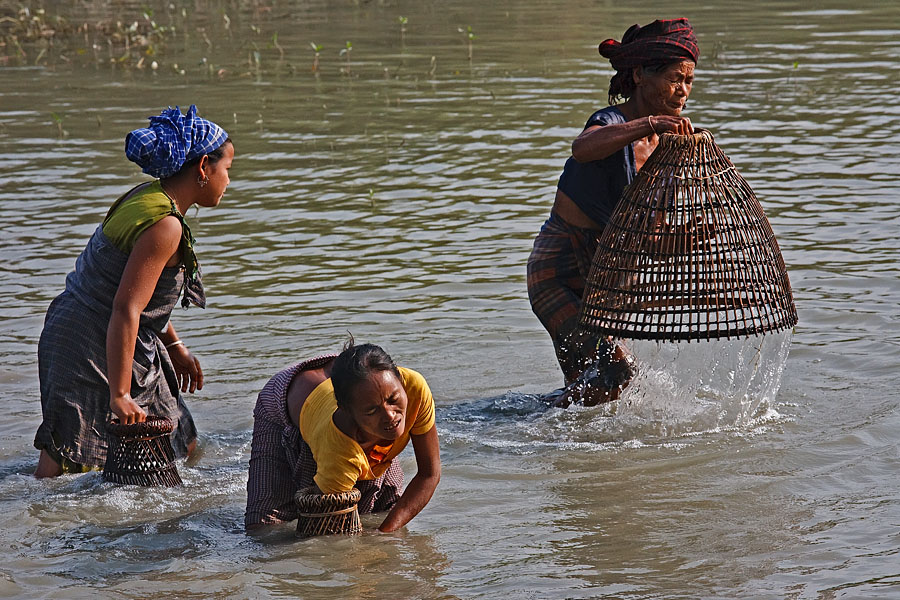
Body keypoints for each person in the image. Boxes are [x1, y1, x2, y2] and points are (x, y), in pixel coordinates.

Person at [34, 105, 235, 477]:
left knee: (179, 440)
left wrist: (175, 347)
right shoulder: (165, 226)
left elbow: (141, 294)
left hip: (106, 332)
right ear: (204, 167)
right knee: (69, 457)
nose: (228, 181)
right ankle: (32, 519)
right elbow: (127, 308)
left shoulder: (148, 196)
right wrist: (120, 395)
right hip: (87, 345)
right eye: (227, 170)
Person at [527, 18, 699, 403]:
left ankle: (538, 433)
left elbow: (648, 239)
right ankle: (524, 426)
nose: (683, 90)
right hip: (558, 272)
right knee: (618, 371)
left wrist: (687, 241)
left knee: (598, 389)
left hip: (604, 282)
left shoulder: (665, 149)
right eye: (675, 78)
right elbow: (582, 148)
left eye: (688, 80)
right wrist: (649, 123)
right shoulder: (612, 122)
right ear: (639, 75)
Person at [245, 339, 441, 533]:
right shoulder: (337, 443)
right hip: (281, 404)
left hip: (357, 379)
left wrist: (385, 533)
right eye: (372, 411)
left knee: (382, 507)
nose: (390, 415)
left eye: (393, 400)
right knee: (266, 528)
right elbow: (326, 527)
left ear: (400, 381)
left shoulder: (414, 389)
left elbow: (429, 474)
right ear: (350, 413)